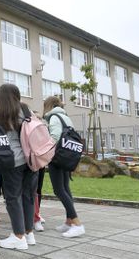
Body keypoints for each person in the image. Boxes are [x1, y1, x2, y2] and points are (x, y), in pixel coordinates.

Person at [0, 84, 37, 250]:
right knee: (27, 196)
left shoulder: (3, 113)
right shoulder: (26, 110)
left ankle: (18, 236)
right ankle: (29, 233)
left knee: (13, 198)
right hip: (31, 159)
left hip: (13, 160)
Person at [43, 96, 85, 238]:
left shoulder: (53, 117)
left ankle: (77, 224)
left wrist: (45, 153)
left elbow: (54, 138)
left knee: (59, 190)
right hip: (67, 156)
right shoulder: (66, 117)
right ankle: (69, 222)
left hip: (57, 157)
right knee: (66, 188)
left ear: (48, 105)